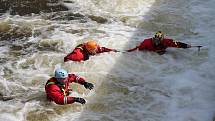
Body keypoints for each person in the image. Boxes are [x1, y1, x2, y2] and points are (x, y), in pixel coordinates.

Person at [127, 31, 192, 54]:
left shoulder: (167, 41)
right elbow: (138, 49)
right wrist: (126, 51)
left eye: (159, 39)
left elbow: (177, 44)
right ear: (154, 38)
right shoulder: (146, 42)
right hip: (151, 52)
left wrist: (186, 46)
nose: (157, 41)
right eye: (156, 39)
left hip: (161, 51)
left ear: (162, 39)